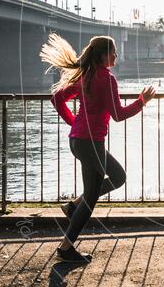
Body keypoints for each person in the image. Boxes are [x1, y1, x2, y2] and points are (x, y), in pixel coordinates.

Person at [40, 33, 156, 262]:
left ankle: (74, 206)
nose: (116, 55)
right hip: (90, 143)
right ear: (104, 56)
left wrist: (75, 124)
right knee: (91, 198)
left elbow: (56, 99)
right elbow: (118, 115)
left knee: (118, 176)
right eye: (113, 51)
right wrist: (141, 102)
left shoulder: (86, 76)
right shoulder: (106, 78)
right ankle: (65, 248)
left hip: (80, 141)